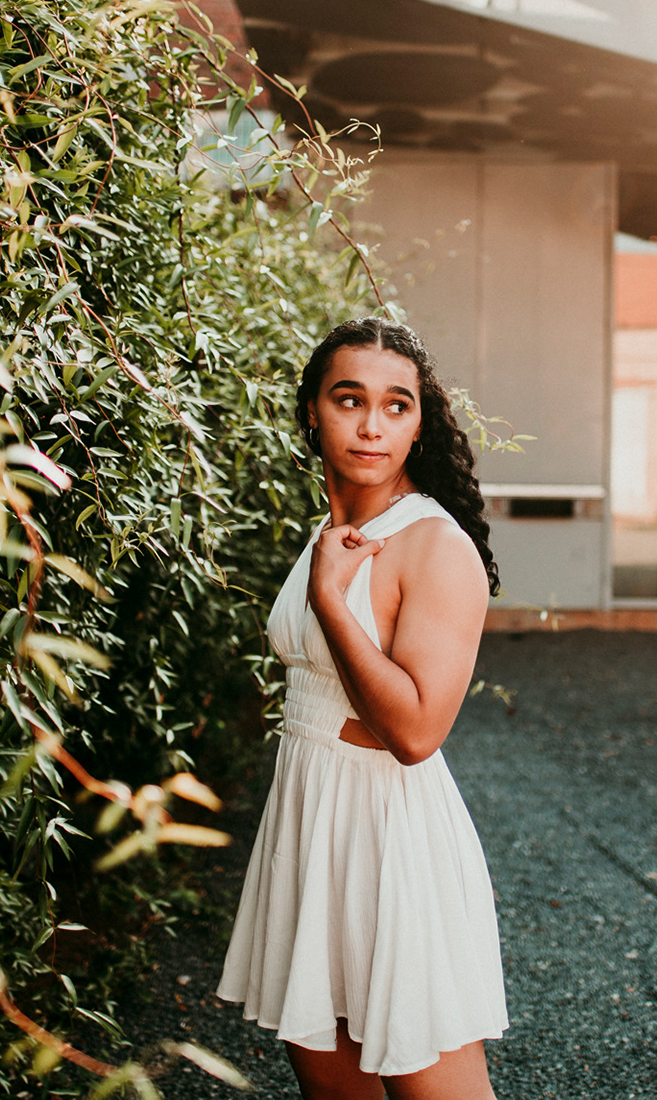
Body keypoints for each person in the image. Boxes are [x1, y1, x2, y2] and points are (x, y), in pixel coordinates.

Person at [218, 317, 507, 1099]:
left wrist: (330, 600)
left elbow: (415, 732)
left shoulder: (433, 544)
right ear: (312, 412)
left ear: (419, 424)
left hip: (389, 837)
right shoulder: (335, 532)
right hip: (311, 821)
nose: (372, 425)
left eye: (396, 405)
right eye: (349, 400)